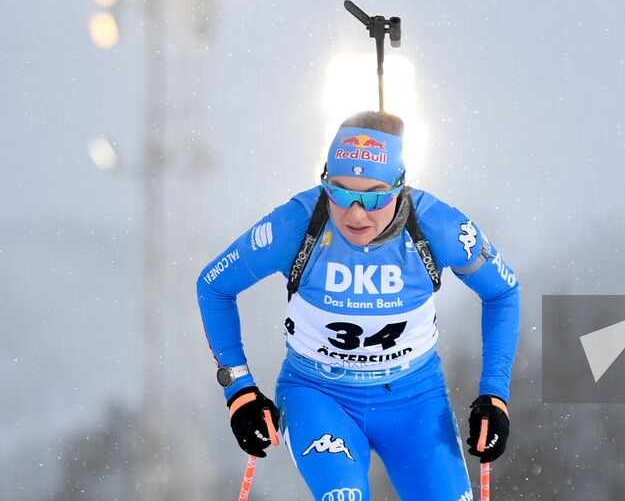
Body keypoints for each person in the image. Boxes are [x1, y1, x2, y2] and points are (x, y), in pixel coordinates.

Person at [196, 111, 521, 500]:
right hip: (319, 394)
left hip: (414, 401)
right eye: (340, 192)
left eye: (373, 197)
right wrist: (240, 390)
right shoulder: (297, 225)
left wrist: (495, 393)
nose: (354, 213)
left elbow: (503, 293)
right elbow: (214, 286)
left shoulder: (440, 228)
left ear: (400, 187)